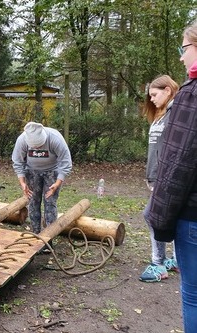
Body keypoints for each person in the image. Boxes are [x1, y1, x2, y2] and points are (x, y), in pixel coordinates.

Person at [145, 21, 197, 333]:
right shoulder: (161, 115)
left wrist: (159, 217)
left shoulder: (190, 97)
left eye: (185, 48)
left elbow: (178, 164)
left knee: (193, 295)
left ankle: (160, 260)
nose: (181, 57)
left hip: (191, 211)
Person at [139, 75, 179, 283]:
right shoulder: (160, 115)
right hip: (157, 178)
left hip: (167, 179)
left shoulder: (176, 114)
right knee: (170, 218)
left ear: (168, 90)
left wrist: (163, 177)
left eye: (154, 94)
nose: (152, 99)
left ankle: (158, 264)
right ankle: (176, 260)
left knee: (151, 216)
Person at [12, 122, 72, 236]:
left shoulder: (55, 138)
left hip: (52, 171)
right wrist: (23, 183)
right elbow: (18, 162)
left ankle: (48, 237)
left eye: (39, 146)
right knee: (33, 202)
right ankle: (35, 234)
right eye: (35, 147)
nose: (37, 148)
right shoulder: (22, 140)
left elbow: (66, 162)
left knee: (50, 202)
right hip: (32, 171)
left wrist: (58, 183)